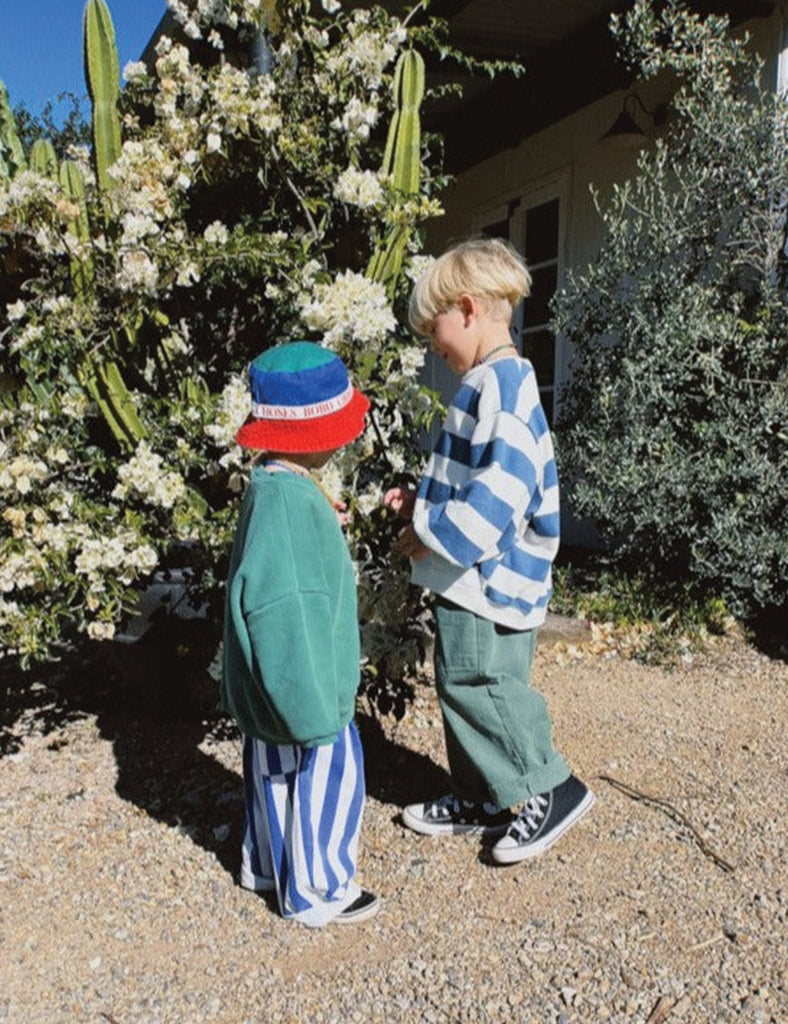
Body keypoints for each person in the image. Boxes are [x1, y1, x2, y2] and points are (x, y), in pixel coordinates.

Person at [384, 238, 594, 865]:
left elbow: (498, 495)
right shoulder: (491, 384)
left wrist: (430, 532)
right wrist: (419, 503)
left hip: (487, 577)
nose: (433, 344)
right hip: (477, 575)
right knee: (463, 682)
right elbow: (471, 479)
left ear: (469, 310)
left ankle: (549, 786)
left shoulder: (498, 387)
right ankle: (479, 793)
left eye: (435, 328)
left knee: (481, 683)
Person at [221, 341, 379, 925]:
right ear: (319, 435)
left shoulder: (273, 484)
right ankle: (320, 889)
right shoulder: (288, 501)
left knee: (272, 775)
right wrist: (312, 703)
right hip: (302, 679)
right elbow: (284, 608)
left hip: (271, 684)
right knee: (325, 779)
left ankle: (266, 865)